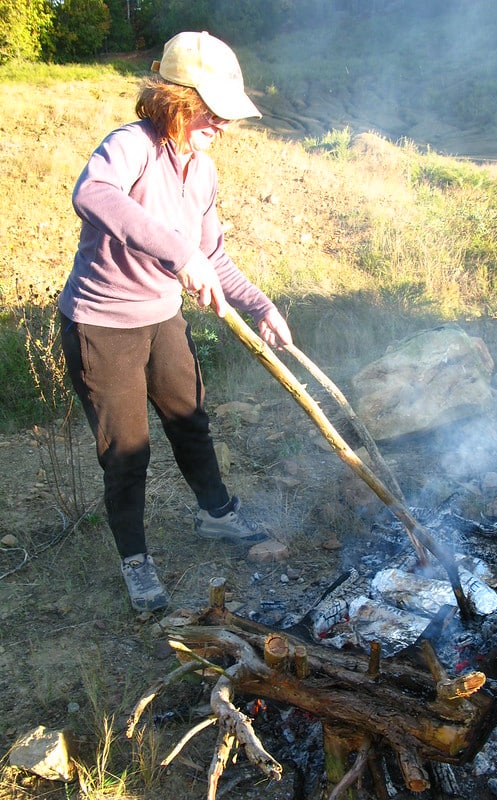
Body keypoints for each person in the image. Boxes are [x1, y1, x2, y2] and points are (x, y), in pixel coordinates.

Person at [58, 31, 293, 613]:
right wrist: (176, 252)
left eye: (226, 115)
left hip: (162, 316)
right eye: (212, 111)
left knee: (189, 417)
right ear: (177, 100)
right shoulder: (132, 146)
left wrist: (261, 305)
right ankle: (136, 562)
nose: (222, 125)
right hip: (103, 323)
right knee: (127, 449)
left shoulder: (203, 171)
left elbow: (210, 255)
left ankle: (216, 515)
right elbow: (93, 194)